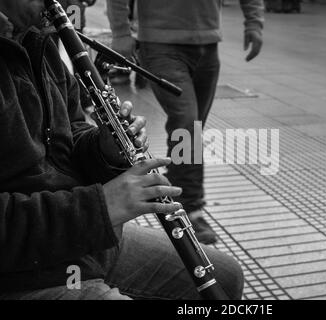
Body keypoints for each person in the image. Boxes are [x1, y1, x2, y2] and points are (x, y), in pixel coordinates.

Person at [0, 0, 243, 300]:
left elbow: (71, 132)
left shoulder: (36, 37)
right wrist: (101, 206)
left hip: (84, 241)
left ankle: (191, 200)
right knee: (187, 123)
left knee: (227, 277)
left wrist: (104, 149)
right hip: (24, 273)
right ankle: (191, 200)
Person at [106, 0, 264, 244]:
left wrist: (254, 23)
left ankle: (176, 192)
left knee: (192, 129)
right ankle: (190, 207)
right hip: (160, 45)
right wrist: (121, 31)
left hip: (208, 46)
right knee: (187, 124)